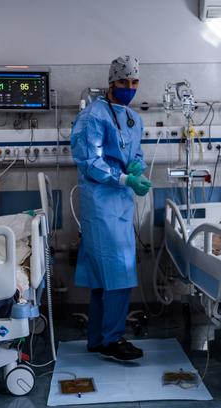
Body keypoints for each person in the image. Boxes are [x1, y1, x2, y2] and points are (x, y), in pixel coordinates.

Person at [70, 55, 152, 361]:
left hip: (120, 203)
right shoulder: (92, 118)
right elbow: (90, 162)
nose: (129, 88)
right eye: (123, 82)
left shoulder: (133, 118)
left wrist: (136, 167)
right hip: (101, 202)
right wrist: (124, 178)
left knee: (106, 274)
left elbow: (138, 153)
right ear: (111, 83)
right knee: (117, 271)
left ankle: (97, 338)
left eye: (134, 82)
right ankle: (113, 339)